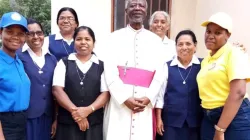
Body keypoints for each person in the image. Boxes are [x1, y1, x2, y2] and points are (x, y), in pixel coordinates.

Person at [103, 0, 168, 140]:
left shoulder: (155, 41)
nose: (137, 8)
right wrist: (125, 98)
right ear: (126, 11)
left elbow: (160, 74)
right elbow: (109, 72)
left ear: (146, 12)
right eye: (133, 5)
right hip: (119, 105)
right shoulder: (113, 38)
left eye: (141, 6)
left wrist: (149, 97)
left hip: (144, 105)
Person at [197, 12, 250, 140]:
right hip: (209, 118)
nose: (210, 36)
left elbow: (238, 92)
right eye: (208, 31)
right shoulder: (206, 60)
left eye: (217, 32)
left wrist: (220, 130)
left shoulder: (234, 53)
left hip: (233, 118)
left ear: (228, 35)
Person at [52, 26, 110, 140]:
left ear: (94, 42)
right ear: (74, 42)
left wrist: (88, 110)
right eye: (79, 39)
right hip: (67, 125)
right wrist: (77, 114)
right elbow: (57, 90)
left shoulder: (101, 66)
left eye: (87, 39)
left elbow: (105, 93)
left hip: (93, 125)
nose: (83, 42)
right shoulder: (64, 63)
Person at [155, 30, 203, 140]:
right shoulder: (167, 66)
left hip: (195, 122)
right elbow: (160, 96)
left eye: (188, 44)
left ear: (195, 46)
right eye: (180, 44)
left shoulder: (203, 65)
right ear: (175, 47)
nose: (184, 47)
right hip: (171, 122)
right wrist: (158, 119)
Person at [17, 18, 57, 140]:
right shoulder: (18, 57)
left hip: (47, 116)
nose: (35, 37)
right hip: (27, 116)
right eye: (30, 33)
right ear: (25, 36)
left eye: (39, 33)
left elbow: (55, 90)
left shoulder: (52, 58)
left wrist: (56, 118)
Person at [0, 12, 30, 140]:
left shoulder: (18, 60)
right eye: (10, 31)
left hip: (21, 123)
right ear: (1, 33)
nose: (15, 37)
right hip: (5, 125)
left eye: (20, 34)